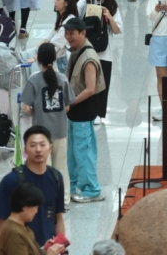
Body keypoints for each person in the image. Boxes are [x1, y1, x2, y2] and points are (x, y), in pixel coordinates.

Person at [19, 51, 74, 211]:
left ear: (39, 61)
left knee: (42, 168)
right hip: (60, 130)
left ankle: (45, 201)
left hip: (41, 133)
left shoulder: (33, 80)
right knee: (61, 167)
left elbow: (27, 108)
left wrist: (37, 113)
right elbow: (68, 106)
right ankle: (64, 201)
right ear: (54, 60)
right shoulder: (63, 79)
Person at [64, 18, 106, 202]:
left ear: (83, 33)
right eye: (66, 33)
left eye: (72, 34)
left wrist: (71, 102)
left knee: (84, 152)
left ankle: (92, 189)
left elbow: (90, 89)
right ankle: (73, 185)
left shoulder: (89, 58)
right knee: (73, 151)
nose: (68, 37)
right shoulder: (76, 51)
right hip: (74, 112)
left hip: (83, 111)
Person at [77, 0, 123, 123]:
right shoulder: (84, 2)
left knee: (102, 83)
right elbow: (74, 18)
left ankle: (99, 113)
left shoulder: (112, 5)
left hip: (105, 51)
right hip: (86, 49)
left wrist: (109, 17)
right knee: (86, 81)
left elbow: (117, 30)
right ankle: (86, 111)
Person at [0, 182, 65, 255]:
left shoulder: (21, 226)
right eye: (35, 207)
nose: (36, 211)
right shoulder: (13, 234)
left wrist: (45, 250)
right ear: (24, 206)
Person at [50, 0, 78, 74]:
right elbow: (50, 35)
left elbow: (55, 43)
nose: (55, 2)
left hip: (66, 61)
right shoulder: (61, 17)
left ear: (66, 3)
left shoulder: (69, 20)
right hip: (61, 60)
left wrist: (37, 57)